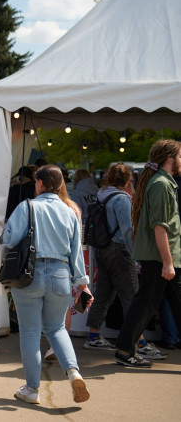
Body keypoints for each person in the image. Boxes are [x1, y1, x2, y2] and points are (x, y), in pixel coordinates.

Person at [3, 165, 90, 405]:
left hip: (30, 275)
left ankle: (32, 389)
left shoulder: (27, 206)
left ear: (39, 183)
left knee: (30, 334)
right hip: (61, 275)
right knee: (57, 328)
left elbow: (9, 239)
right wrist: (82, 285)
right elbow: (76, 253)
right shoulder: (69, 211)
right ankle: (73, 372)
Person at [113, 140, 181, 368]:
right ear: (170, 159)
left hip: (161, 258)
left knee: (151, 303)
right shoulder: (161, 185)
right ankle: (124, 349)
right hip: (161, 259)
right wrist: (168, 263)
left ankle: (124, 349)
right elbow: (160, 227)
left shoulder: (162, 182)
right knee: (145, 304)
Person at [85, 163, 136, 350]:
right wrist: (134, 255)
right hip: (118, 249)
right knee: (131, 296)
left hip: (102, 249)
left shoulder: (101, 195)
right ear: (128, 180)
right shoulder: (122, 199)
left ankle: (93, 335)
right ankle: (137, 341)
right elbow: (127, 229)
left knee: (103, 294)